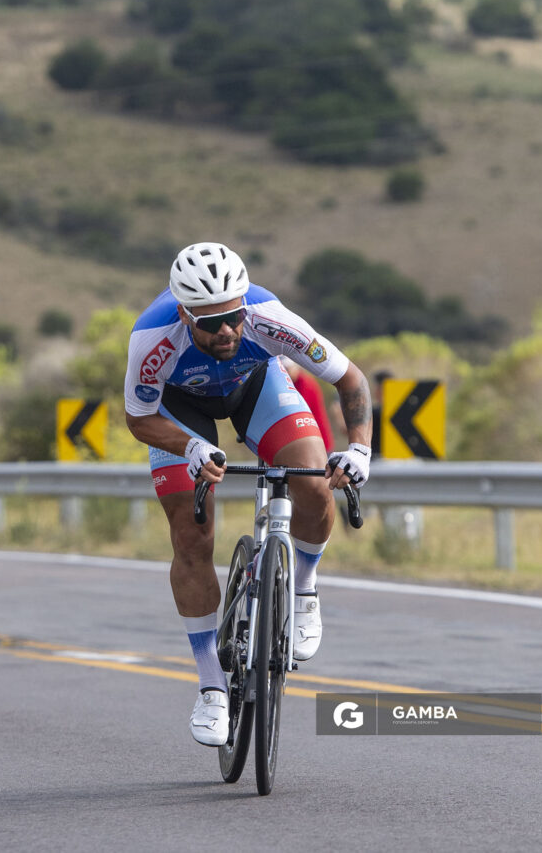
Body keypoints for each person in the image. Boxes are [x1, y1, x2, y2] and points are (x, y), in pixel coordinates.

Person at [125, 242, 372, 747]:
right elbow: (138, 417)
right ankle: (211, 686)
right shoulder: (152, 340)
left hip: (255, 386)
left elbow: (351, 379)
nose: (227, 331)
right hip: (178, 409)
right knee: (191, 535)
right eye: (211, 322)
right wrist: (190, 447)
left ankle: (304, 587)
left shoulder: (270, 318)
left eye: (234, 316)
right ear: (184, 315)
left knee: (313, 484)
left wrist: (360, 450)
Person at [279, 356, 335, 453]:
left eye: (287, 369)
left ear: (295, 367)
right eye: (283, 370)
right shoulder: (289, 384)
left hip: (318, 441)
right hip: (306, 442)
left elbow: (295, 412)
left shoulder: (306, 384)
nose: (285, 373)